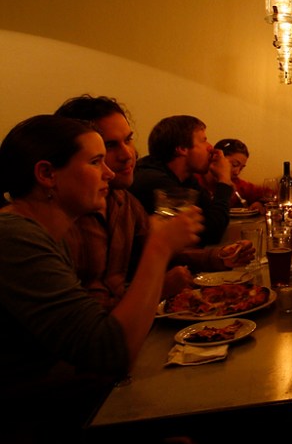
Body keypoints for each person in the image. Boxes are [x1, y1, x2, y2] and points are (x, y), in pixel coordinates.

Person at [0, 115, 202, 444]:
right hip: (23, 434)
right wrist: (158, 248)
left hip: (56, 407)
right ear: (47, 174)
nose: (109, 173)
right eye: (95, 162)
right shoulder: (14, 237)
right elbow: (108, 351)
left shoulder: (46, 234)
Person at [55, 96, 253, 308]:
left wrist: (218, 257)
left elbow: (163, 249)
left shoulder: (123, 200)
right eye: (110, 145)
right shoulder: (61, 221)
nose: (128, 154)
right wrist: (158, 288)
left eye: (128, 140)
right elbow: (89, 323)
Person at [130, 115, 233, 246]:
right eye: (203, 141)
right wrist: (224, 179)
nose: (210, 147)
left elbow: (210, 216)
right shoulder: (155, 181)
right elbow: (209, 234)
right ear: (182, 149)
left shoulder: (186, 178)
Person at [198, 138, 274, 209]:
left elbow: (269, 194)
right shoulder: (194, 182)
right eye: (234, 164)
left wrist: (260, 202)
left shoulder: (236, 183)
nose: (237, 172)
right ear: (216, 157)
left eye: (241, 168)